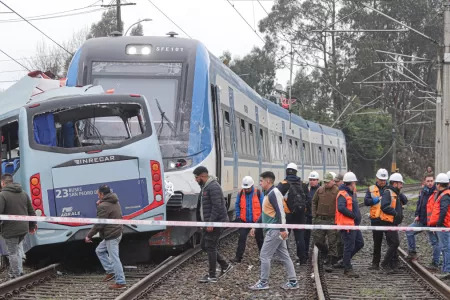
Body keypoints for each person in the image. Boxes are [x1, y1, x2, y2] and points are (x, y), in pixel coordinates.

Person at [249, 171, 298, 290]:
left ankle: (263, 282)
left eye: (261, 181)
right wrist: (256, 225)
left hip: (275, 230)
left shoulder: (273, 193)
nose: (259, 183)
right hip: (276, 230)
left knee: (264, 255)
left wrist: (282, 229)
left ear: (268, 181)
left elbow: (280, 212)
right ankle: (293, 281)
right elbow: (265, 213)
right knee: (285, 256)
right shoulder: (268, 193)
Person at [193, 166, 232, 283]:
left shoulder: (213, 187)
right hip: (208, 222)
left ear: (203, 176)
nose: (195, 180)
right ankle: (225, 265)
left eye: (196, 177)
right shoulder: (205, 186)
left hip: (216, 222)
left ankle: (212, 275)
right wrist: (201, 222)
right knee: (205, 245)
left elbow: (217, 206)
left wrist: (211, 223)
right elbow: (203, 207)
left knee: (210, 246)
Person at [85, 185, 126, 289]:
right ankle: (111, 271)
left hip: (111, 234)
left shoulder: (103, 205)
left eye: (98, 193)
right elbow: (105, 214)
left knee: (114, 258)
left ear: (102, 194)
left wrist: (89, 235)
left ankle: (120, 281)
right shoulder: (114, 201)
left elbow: (99, 223)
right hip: (116, 232)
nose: (97, 195)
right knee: (99, 250)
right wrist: (100, 204)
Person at [0, 174, 37, 279]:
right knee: (18, 249)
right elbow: (31, 211)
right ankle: (18, 271)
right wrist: (32, 226)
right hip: (23, 228)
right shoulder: (23, 193)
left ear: (3, 183)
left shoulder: (2, 195)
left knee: (12, 252)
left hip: (10, 229)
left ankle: (16, 275)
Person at [405, 175, 440, 270]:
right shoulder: (423, 191)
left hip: (431, 223)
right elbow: (419, 204)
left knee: (435, 242)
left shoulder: (437, 193)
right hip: (421, 220)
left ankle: (435, 263)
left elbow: (438, 210)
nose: (430, 183)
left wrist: (435, 224)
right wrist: (417, 215)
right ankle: (412, 252)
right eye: (428, 181)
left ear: (434, 181)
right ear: (424, 182)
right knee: (409, 231)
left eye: (431, 181)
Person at [277, 163, 307, 265]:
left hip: (287, 215)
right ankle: (302, 258)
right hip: (300, 215)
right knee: (300, 238)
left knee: (284, 236)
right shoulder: (302, 184)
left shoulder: (283, 184)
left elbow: (275, 198)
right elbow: (307, 199)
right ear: (296, 172)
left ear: (286, 172)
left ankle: (285, 257)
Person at [335, 172, 364, 278]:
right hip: (348, 225)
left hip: (353, 225)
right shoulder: (343, 194)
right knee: (349, 246)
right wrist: (352, 215)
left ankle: (345, 261)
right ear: (351, 183)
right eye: (354, 183)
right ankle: (347, 268)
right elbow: (341, 207)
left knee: (360, 243)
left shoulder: (350, 192)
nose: (355, 185)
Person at [380, 173, 407, 274]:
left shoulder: (395, 193)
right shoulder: (388, 193)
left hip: (392, 222)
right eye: (400, 184)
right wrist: (395, 213)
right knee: (395, 243)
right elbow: (384, 206)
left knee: (392, 243)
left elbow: (405, 201)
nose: (402, 185)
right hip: (388, 222)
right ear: (395, 183)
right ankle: (385, 264)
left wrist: (400, 192)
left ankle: (393, 263)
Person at [232, 176, 264, 263]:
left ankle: (263, 257)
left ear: (252, 186)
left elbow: (263, 207)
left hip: (256, 221)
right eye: (245, 188)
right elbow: (237, 205)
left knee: (260, 239)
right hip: (244, 221)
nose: (246, 190)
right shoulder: (241, 193)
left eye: (248, 188)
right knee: (241, 238)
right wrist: (238, 216)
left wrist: (261, 219)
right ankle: (238, 257)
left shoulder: (258, 192)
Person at [312, 172, 339, 269]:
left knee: (333, 241)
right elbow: (314, 202)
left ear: (332, 181)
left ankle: (330, 262)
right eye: (325, 182)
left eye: (328, 182)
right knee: (318, 240)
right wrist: (314, 215)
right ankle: (325, 252)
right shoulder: (319, 190)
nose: (326, 184)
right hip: (320, 219)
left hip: (332, 220)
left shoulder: (337, 191)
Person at [364, 168, 389, 270]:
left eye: (384, 180)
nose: (383, 182)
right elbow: (366, 201)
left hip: (387, 219)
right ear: (377, 178)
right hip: (376, 219)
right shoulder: (371, 189)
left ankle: (389, 263)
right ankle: (375, 263)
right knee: (377, 243)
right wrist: (375, 200)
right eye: (381, 180)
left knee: (391, 242)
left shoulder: (389, 188)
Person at [427, 173, 450, 279]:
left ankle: (447, 270)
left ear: (439, 184)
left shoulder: (445, 195)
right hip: (445, 225)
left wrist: (439, 224)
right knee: (446, 247)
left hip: (444, 226)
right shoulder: (445, 193)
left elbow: (443, 210)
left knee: (446, 248)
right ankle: (446, 268)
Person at [305, 171, 320, 257]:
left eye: (314, 180)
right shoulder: (307, 190)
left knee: (318, 237)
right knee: (306, 236)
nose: (312, 181)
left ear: (318, 180)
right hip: (308, 217)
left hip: (317, 217)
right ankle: (306, 253)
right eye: (310, 179)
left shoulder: (320, 190)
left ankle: (318, 253)